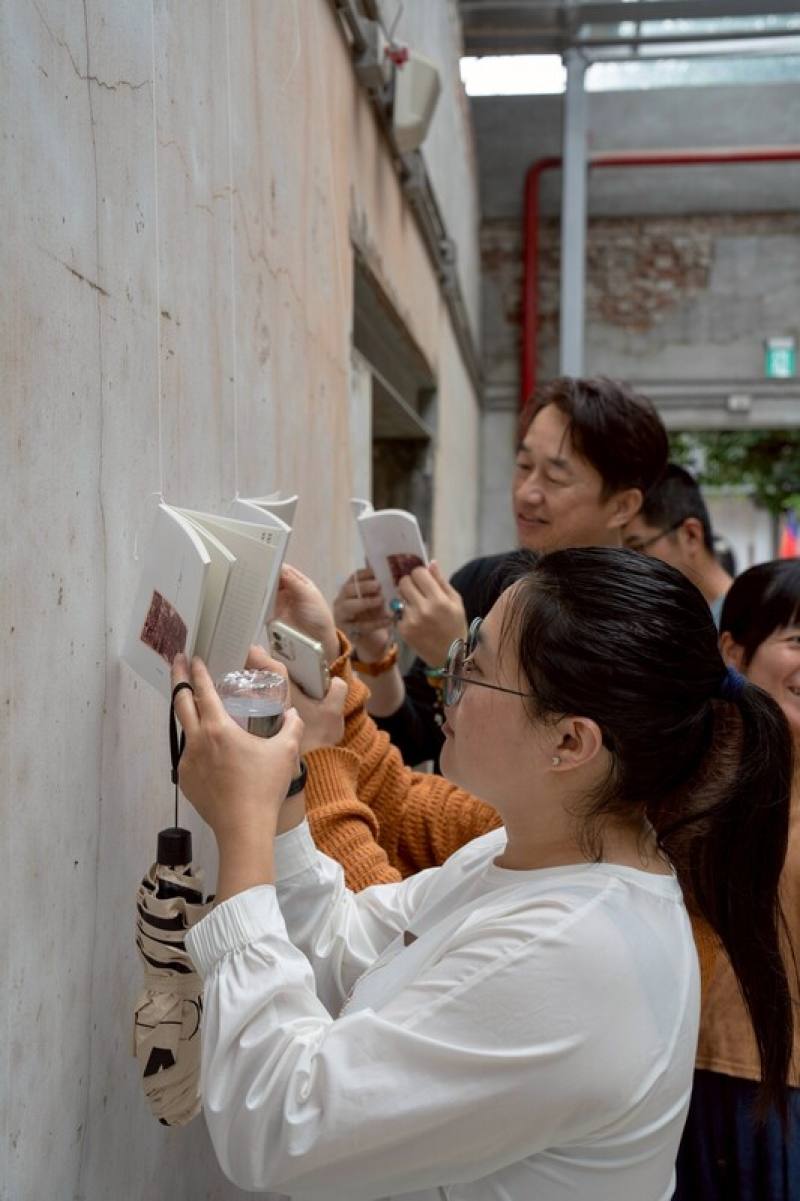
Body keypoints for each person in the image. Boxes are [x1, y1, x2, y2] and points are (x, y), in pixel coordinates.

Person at [174, 548, 794, 1201]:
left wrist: (243, 830)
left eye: (476, 662)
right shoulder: (531, 850)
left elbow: (275, 1127)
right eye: (465, 643)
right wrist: (287, 786)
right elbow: (345, 951)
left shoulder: (577, 955)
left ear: (571, 742)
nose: (452, 677)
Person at [337, 376, 669, 767]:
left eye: (555, 477)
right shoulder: (483, 582)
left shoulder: (644, 625)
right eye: (524, 465)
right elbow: (410, 741)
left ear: (622, 506)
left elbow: (564, 776)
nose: (527, 492)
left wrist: (456, 659)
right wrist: (375, 652)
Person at [674, 558, 800, 1201]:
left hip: (784, 1092)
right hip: (674, 1073)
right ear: (733, 649)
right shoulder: (685, 775)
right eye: (798, 641)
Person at [623, 463, 733, 626]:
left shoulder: (749, 624)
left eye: (637, 548)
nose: (628, 565)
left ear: (691, 535)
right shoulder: (684, 620)